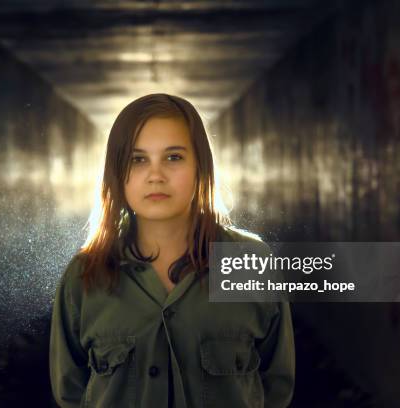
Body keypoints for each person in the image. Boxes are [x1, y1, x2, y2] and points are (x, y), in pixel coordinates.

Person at [49, 93, 295, 407]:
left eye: (174, 157)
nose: (156, 175)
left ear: (199, 167)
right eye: (138, 159)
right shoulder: (84, 276)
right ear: (117, 173)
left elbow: (276, 386)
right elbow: (70, 392)